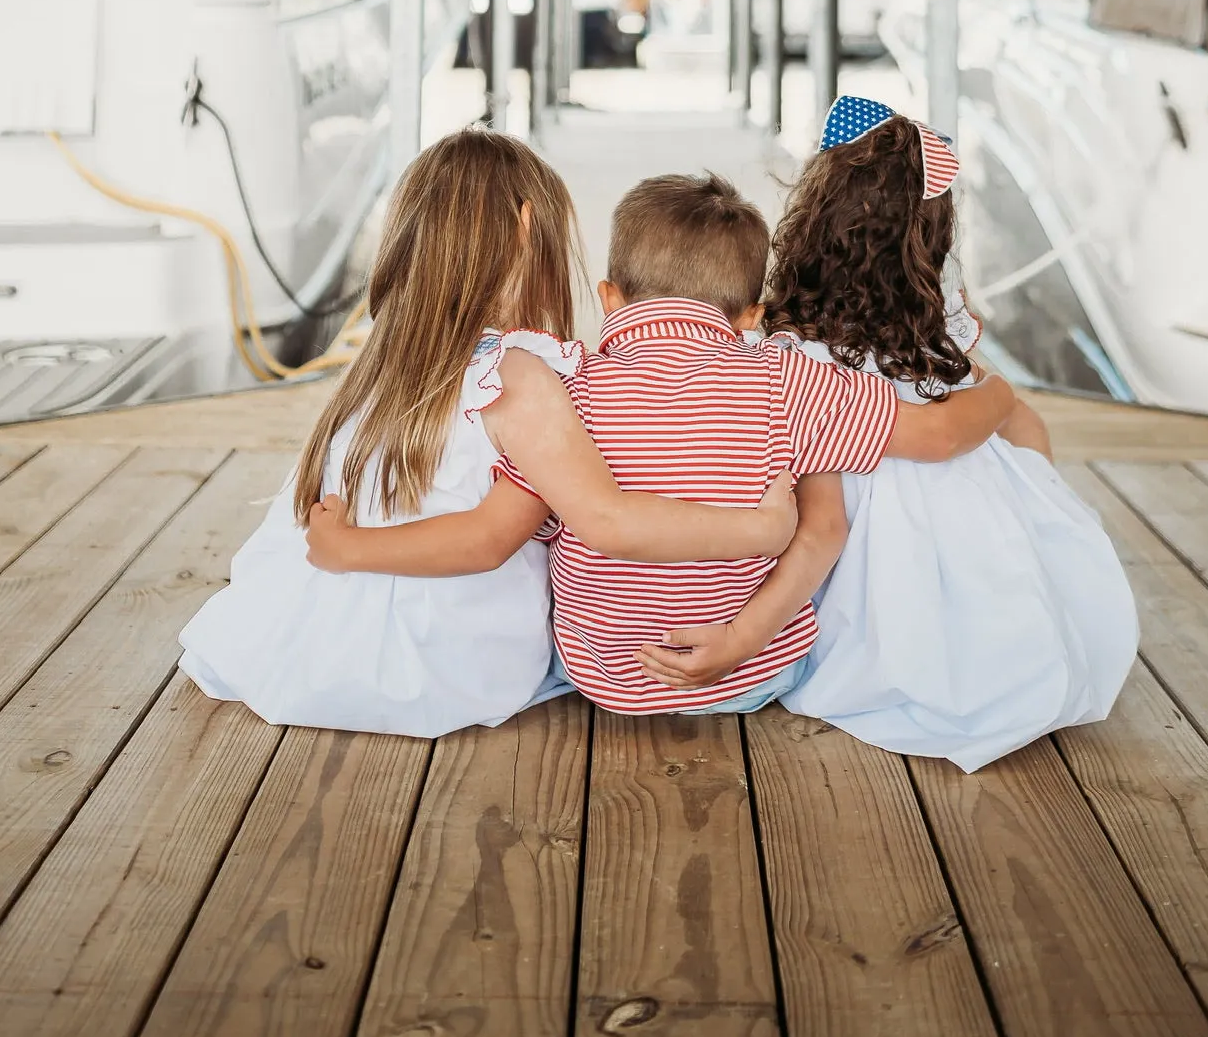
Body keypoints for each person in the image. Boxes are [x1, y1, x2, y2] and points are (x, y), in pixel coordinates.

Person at [311, 168, 1020, 716]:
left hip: (597, 675)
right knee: (829, 507)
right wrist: (999, 389)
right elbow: (934, 439)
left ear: (610, 295)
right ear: (750, 314)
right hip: (753, 678)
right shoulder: (786, 374)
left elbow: (507, 525)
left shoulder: (567, 384)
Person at [178, 129, 797, 738]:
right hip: (434, 659)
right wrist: (759, 528)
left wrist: (341, 553)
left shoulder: (386, 359)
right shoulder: (519, 375)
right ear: (527, 229)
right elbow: (503, 540)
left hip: (310, 639)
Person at [755, 96, 1138, 772]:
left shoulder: (792, 356)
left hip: (854, 539)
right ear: (928, 245)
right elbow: (1004, 427)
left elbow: (924, 441)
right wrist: (1011, 430)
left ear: (811, 225)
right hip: (973, 528)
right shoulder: (936, 344)